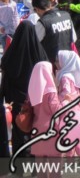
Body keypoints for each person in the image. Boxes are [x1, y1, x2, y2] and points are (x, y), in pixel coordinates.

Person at [0, 21, 49, 156]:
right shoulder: (40, 54)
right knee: (36, 130)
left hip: (16, 100)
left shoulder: (10, 56)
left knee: (19, 129)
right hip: (37, 100)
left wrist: (3, 98)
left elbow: (5, 78)